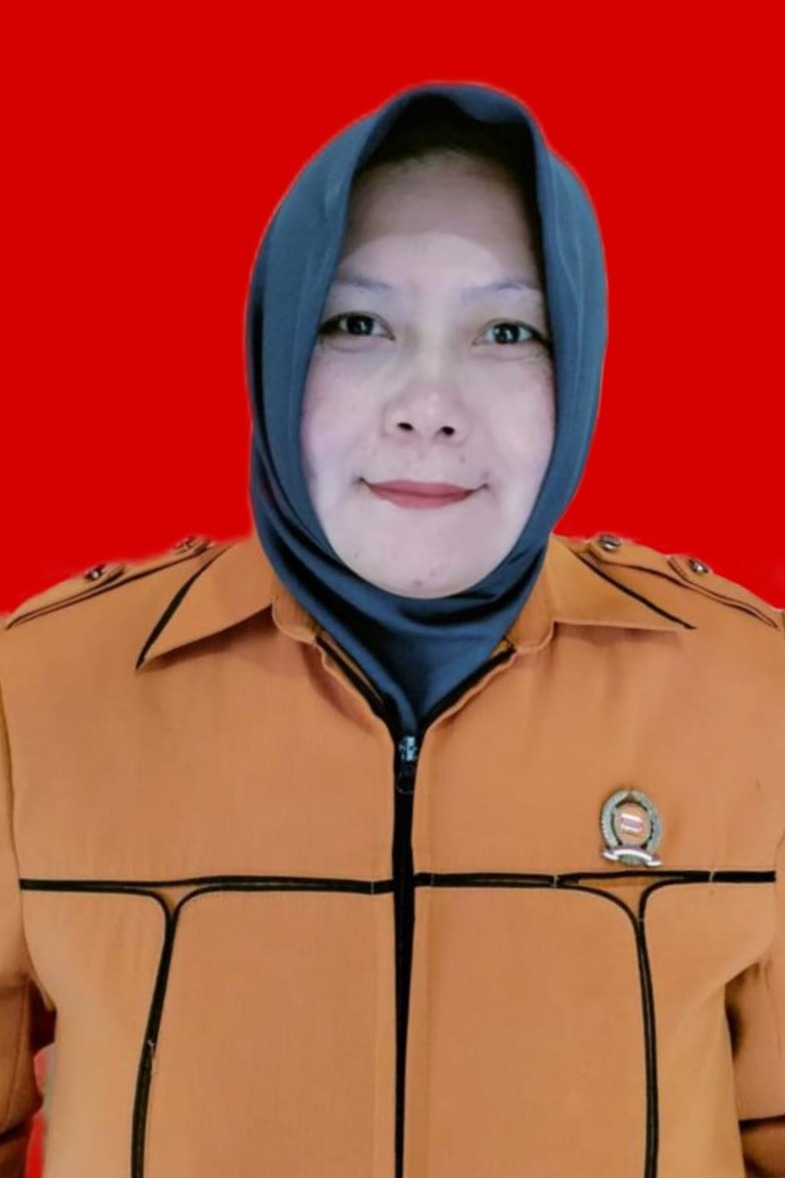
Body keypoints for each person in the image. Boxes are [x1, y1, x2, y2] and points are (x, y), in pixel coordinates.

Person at [1, 82, 783, 1178]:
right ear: (278, 348)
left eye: (506, 330)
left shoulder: (751, 693)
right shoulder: (38, 693)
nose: (428, 404)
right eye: (356, 324)